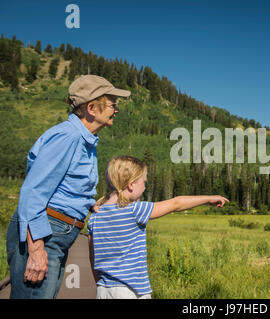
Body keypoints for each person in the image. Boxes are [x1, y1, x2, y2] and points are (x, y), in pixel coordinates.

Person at [6, 75, 131, 299]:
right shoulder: (68, 137)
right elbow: (33, 192)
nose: (116, 110)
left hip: (55, 236)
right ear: (91, 107)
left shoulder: (85, 140)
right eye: (113, 104)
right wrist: (36, 250)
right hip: (44, 235)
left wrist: (89, 204)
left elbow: (64, 186)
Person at [87, 155, 229, 299]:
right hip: (130, 291)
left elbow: (93, 258)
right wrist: (208, 198)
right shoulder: (135, 210)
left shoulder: (95, 217)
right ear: (131, 185)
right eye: (144, 182)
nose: (145, 186)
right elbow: (176, 203)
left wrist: (99, 284)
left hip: (103, 289)